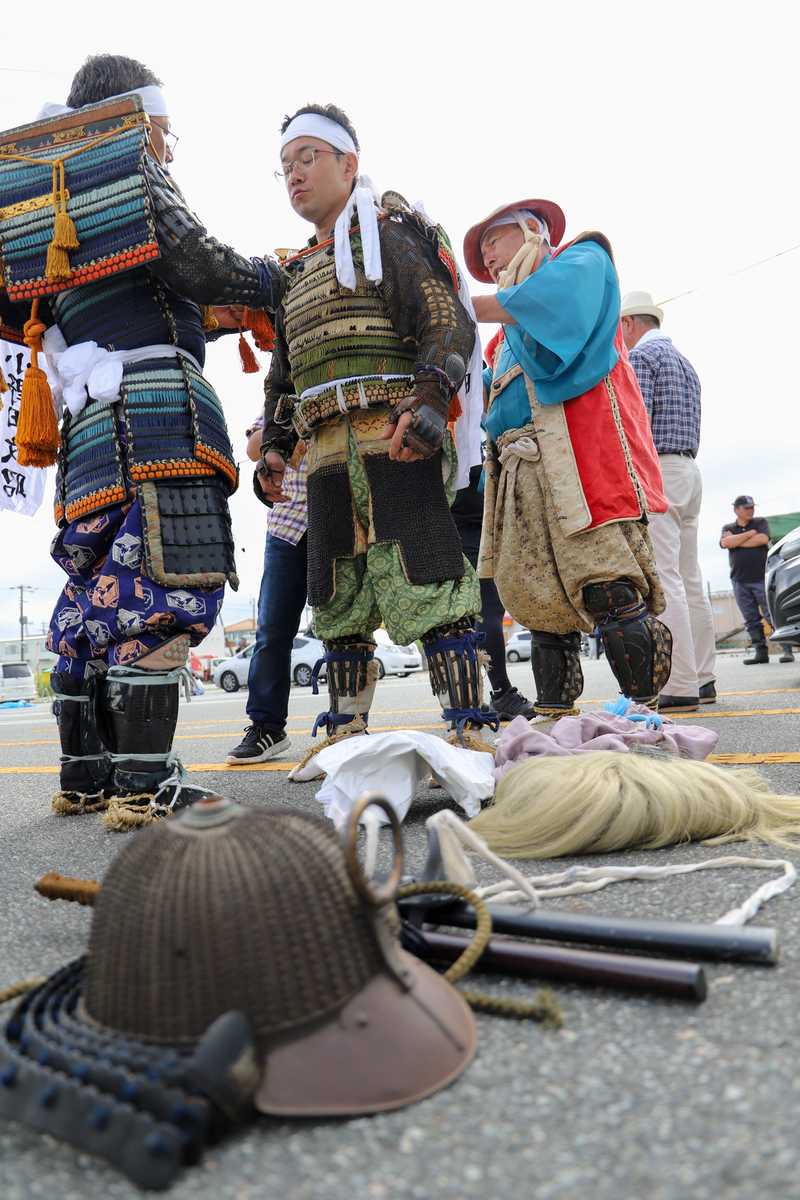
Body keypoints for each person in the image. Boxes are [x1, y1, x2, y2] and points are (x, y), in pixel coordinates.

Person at [0, 55, 281, 821]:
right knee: (165, 591)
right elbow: (201, 262)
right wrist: (270, 280)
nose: (168, 145)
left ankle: (83, 780)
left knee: (95, 601)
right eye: (167, 131)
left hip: (89, 432)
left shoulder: (35, 201)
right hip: (158, 417)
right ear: (142, 118)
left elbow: (77, 310)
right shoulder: (128, 167)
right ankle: (141, 785)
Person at [259, 103, 495, 760]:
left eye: (308, 158)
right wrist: (277, 449)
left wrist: (428, 401)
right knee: (336, 593)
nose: (296, 175)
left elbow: (448, 321)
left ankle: (470, 721)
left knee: (428, 574)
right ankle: (343, 736)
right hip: (327, 456)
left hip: (393, 438)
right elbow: (286, 376)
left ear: (348, 163)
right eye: (285, 166)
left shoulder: (386, 234)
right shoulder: (296, 270)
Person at [463, 199, 672, 716]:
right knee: (540, 606)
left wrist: (461, 305)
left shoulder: (583, 260)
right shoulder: (498, 342)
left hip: (580, 465)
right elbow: (483, 403)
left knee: (610, 589)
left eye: (494, 238)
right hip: (517, 477)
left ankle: (645, 715)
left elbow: (549, 305)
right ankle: (556, 716)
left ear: (533, 229)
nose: (487, 255)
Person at [621, 291, 717, 711]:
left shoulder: (642, 359)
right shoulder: (685, 362)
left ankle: (679, 685)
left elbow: (633, 422)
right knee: (690, 578)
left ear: (629, 325)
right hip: (689, 471)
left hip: (659, 468)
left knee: (666, 577)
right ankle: (704, 677)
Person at [226, 418, 308, 763]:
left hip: (343, 513)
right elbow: (252, 446)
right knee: (271, 629)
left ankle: (346, 722)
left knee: (345, 625)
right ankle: (267, 726)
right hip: (288, 523)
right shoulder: (280, 395)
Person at [450, 463, 535, 719]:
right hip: (471, 508)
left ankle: (460, 701)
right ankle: (501, 693)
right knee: (488, 609)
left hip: (446, 505)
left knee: (456, 617)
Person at [720, 496, 791, 664]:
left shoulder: (760, 523)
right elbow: (726, 543)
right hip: (739, 581)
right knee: (751, 618)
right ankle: (761, 653)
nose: (751, 510)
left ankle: (787, 651)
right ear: (736, 509)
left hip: (761, 578)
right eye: (746, 508)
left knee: (771, 614)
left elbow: (763, 539)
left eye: (752, 507)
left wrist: (737, 540)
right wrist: (749, 534)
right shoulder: (728, 527)